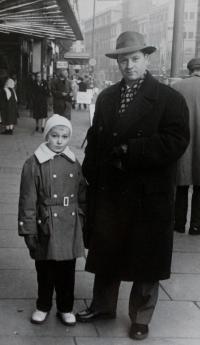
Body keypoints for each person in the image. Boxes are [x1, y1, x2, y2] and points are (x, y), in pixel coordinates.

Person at [76, 31, 190, 340]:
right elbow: (97, 141)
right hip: (111, 191)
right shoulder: (108, 97)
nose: (128, 65)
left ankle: (140, 317)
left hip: (148, 195)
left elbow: (177, 140)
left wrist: (133, 150)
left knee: (147, 261)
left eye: (135, 59)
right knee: (107, 252)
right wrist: (87, 175)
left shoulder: (169, 99)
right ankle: (102, 305)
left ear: (147, 58)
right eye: (123, 60)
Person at [18, 114, 86, 325]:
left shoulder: (73, 162)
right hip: (45, 224)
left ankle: (66, 307)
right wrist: (29, 230)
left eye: (64, 136)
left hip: (69, 224)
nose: (59, 140)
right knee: (45, 270)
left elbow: (82, 195)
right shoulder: (34, 163)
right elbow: (27, 200)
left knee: (68, 270)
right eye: (54, 135)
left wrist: (81, 221)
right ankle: (43, 305)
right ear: (47, 135)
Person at [173, 58, 200, 235]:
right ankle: (196, 225)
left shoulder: (176, 87)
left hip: (182, 143)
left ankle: (179, 223)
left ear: (189, 69)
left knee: (181, 184)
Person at [0, 69, 18, 135]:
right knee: (11, 117)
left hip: (7, 106)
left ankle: (8, 130)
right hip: (12, 105)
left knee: (7, 117)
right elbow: (16, 99)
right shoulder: (13, 91)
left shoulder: (5, 90)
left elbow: (3, 100)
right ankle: (10, 129)